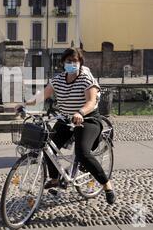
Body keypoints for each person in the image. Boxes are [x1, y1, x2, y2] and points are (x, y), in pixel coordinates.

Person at [17, 48, 116, 204]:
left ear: (80, 63)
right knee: (47, 144)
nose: (72, 64)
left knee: (82, 153)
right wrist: (25, 104)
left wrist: (80, 113)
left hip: (88, 120)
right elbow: (42, 95)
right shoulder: (58, 80)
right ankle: (55, 179)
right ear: (63, 63)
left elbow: (91, 102)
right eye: (68, 61)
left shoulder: (85, 79)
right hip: (65, 120)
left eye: (75, 61)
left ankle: (106, 184)